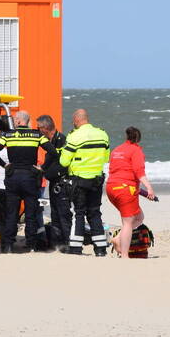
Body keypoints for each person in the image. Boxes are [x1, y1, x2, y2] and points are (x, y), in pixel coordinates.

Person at [0, 110, 54, 252]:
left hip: (13, 177)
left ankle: (9, 246)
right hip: (30, 178)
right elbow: (53, 152)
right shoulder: (37, 135)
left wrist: (5, 165)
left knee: (12, 213)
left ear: (18, 121)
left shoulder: (8, 135)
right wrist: (42, 168)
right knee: (30, 214)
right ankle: (31, 245)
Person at [58, 109, 111, 256]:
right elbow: (106, 158)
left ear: (76, 120)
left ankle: (76, 248)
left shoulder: (74, 136)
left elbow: (63, 161)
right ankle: (100, 249)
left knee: (79, 213)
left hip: (79, 181)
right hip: (97, 180)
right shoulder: (103, 134)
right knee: (95, 213)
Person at [106, 126, 156, 258]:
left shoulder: (116, 150)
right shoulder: (136, 150)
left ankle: (118, 239)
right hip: (124, 189)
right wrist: (149, 188)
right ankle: (124, 255)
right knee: (128, 222)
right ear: (138, 139)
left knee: (139, 217)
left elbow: (115, 170)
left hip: (111, 188)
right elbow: (139, 171)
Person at [37, 114, 71, 252]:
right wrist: (42, 169)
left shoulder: (61, 140)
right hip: (54, 183)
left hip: (62, 184)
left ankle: (67, 244)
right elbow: (49, 162)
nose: (37, 130)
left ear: (45, 128)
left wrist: (45, 172)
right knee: (55, 214)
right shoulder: (50, 142)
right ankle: (56, 244)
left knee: (63, 214)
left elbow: (63, 164)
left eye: (38, 128)